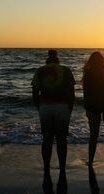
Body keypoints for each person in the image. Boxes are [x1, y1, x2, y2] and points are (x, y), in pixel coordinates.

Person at [32, 49, 76, 194]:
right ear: (58, 59)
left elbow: (35, 92)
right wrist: (69, 108)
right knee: (62, 139)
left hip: (45, 107)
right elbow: (71, 93)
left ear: (47, 59)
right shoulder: (66, 70)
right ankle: (62, 167)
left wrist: (39, 107)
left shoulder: (40, 71)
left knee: (47, 138)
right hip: (61, 106)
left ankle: (46, 167)